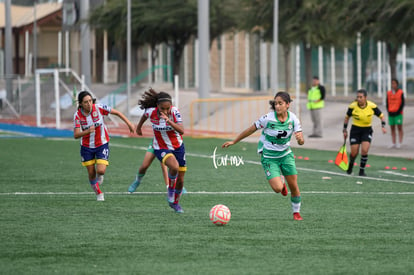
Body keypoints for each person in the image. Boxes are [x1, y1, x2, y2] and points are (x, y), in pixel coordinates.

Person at [222, 91, 305, 221]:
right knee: (278, 189)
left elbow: (301, 141)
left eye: (280, 103)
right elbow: (250, 129)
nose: (277, 106)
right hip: (269, 156)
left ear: (288, 105)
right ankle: (281, 184)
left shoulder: (293, 119)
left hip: (286, 155)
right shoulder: (267, 118)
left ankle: (296, 213)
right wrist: (234, 141)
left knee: (294, 186)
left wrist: (300, 140)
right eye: (275, 103)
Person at [129, 88, 187, 213]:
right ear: (157, 106)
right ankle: (170, 192)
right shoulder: (151, 112)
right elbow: (144, 115)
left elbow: (182, 130)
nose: (165, 111)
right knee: (174, 167)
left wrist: (169, 121)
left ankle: (175, 204)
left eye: (168, 108)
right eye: (162, 109)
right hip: (161, 147)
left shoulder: (175, 112)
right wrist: (139, 128)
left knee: (181, 180)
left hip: (178, 147)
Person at [73, 91, 135, 201]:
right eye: (86, 102)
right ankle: (99, 193)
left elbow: (117, 113)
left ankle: (100, 175)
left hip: (102, 143)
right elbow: (76, 135)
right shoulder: (77, 116)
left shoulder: (99, 108)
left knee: (101, 170)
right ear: (81, 104)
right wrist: (87, 131)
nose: (89, 104)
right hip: (86, 147)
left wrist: (129, 123)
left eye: (90, 101)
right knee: (91, 173)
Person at [342, 89, 387, 177]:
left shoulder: (372, 106)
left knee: (364, 150)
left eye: (361, 97)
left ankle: (361, 171)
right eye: (357, 97)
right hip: (355, 130)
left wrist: (383, 126)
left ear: (365, 98)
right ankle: (350, 167)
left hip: (367, 130)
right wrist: (344, 130)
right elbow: (347, 118)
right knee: (354, 153)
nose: (359, 99)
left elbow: (381, 116)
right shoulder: (352, 106)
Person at [386, 78, 404, 149]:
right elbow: (387, 103)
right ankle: (393, 142)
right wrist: (388, 111)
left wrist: (398, 111)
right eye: (392, 83)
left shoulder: (401, 92)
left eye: (394, 83)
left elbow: (402, 103)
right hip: (391, 113)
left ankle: (399, 142)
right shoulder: (389, 93)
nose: (393, 85)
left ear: (397, 84)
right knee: (392, 128)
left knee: (399, 128)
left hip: (398, 113)